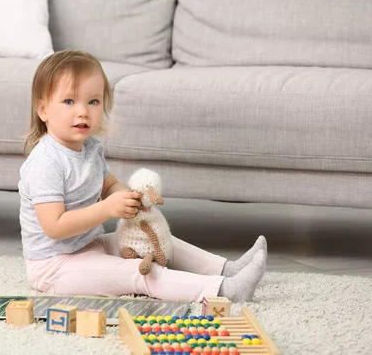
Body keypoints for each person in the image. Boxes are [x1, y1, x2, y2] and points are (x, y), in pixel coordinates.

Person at [18, 49, 267, 303]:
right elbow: (55, 226)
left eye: (93, 102)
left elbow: (110, 185)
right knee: (139, 273)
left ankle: (227, 270)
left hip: (89, 245)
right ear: (43, 110)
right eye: (69, 102)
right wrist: (108, 209)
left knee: (156, 237)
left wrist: (126, 198)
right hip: (55, 267)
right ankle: (224, 291)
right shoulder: (45, 163)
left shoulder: (90, 149)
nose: (83, 111)